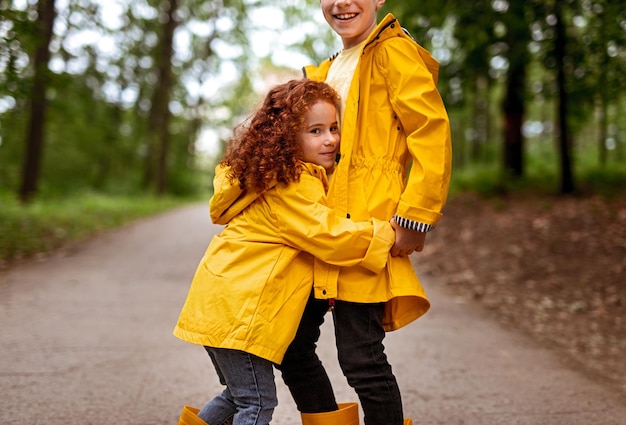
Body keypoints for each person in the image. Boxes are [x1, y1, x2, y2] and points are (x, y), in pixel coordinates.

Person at [173, 79, 397, 425]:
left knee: (238, 395)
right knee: (257, 402)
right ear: (286, 137)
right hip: (238, 312)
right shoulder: (291, 183)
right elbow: (327, 233)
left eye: (334, 128)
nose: (330, 139)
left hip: (222, 307)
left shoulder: (270, 175)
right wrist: (385, 234)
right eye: (315, 131)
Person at [275, 1, 453, 425]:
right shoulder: (330, 68)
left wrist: (415, 215)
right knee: (291, 343)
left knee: (361, 358)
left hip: (368, 230)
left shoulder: (392, 51)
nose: (342, 3)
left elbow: (430, 131)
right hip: (324, 230)